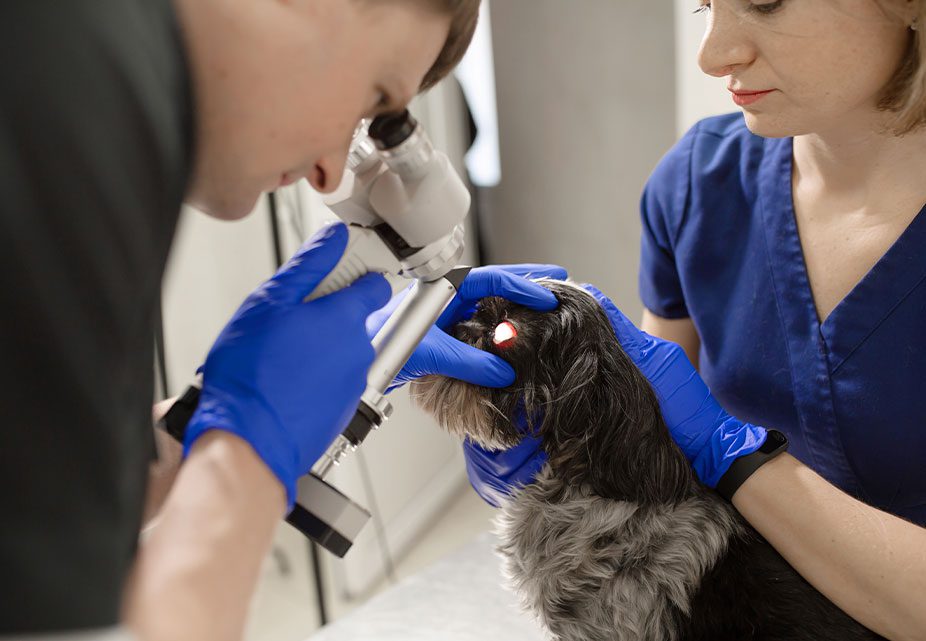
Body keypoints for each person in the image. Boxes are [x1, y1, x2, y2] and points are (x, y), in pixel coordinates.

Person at [1, 1, 560, 639]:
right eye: (375, 95)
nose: (328, 169)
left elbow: (33, 492)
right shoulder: (82, 104)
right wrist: (248, 457)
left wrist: (208, 413)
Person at [409, 1, 926, 640]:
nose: (712, 55)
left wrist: (737, 460)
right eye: (707, 3)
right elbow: (654, 466)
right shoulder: (699, 183)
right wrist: (552, 439)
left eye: (765, 1)